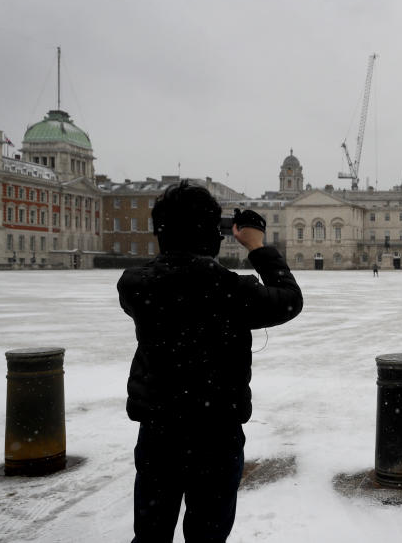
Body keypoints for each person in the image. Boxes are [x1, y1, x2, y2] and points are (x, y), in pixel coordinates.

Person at [118, 182, 303, 542]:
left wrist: (181, 241)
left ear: (160, 233)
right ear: (213, 237)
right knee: (207, 536)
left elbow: (166, 268)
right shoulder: (231, 291)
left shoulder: (136, 286)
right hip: (216, 431)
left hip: (159, 430)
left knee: (151, 535)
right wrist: (257, 247)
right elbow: (289, 299)